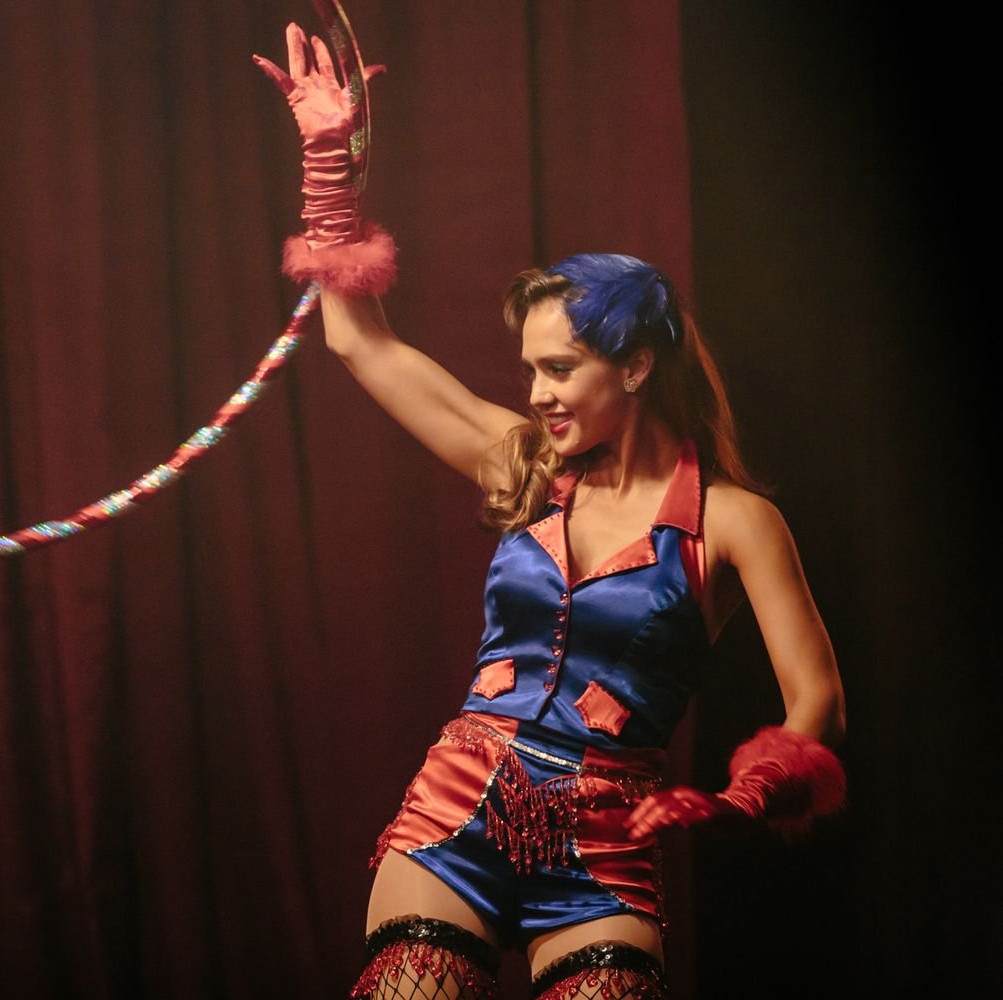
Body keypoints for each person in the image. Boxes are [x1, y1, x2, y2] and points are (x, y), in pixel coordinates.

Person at [254, 23, 847, 1000]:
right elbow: (361, 343)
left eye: (559, 369)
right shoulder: (525, 464)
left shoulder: (736, 523)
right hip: (457, 809)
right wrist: (329, 166)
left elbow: (817, 699)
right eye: (530, 368)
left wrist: (743, 797)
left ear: (637, 366)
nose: (535, 393)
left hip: (605, 840)